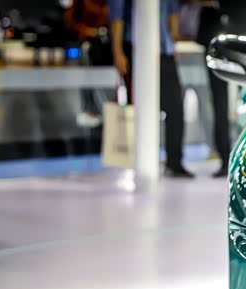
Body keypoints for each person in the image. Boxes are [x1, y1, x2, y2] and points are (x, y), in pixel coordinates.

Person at [109, 0, 194, 178]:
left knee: (176, 108)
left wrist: (173, 39)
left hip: (165, 50)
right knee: (143, 108)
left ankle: (174, 162)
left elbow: (172, 11)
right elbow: (117, 15)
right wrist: (117, 51)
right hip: (137, 49)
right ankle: (142, 160)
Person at [193, 1, 230, 178]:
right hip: (217, 51)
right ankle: (225, 157)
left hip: (229, 46)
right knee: (219, 106)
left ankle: (227, 157)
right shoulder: (209, 13)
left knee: (222, 106)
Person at [65, 0, 112, 128]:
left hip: (107, 45)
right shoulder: (82, 3)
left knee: (106, 82)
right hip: (89, 44)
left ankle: (108, 111)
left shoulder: (109, 4)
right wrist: (88, 31)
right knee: (88, 78)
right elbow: (71, 20)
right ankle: (90, 110)